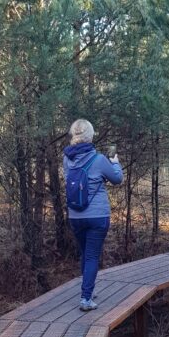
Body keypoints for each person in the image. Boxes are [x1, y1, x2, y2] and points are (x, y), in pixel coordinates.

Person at [63, 118, 123, 311]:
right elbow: (117, 179)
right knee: (91, 256)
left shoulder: (67, 159)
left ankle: (87, 290)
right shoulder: (99, 159)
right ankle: (86, 299)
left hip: (75, 216)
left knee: (85, 253)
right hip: (97, 216)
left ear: (74, 136)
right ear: (90, 136)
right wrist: (115, 163)